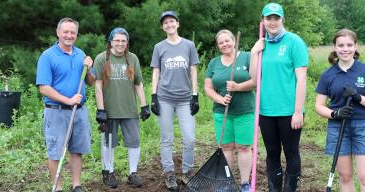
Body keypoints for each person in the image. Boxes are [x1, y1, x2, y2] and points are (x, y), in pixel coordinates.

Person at [315, 29, 365, 192]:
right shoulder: (328, 75)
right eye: (341, 45)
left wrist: (359, 98)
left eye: (349, 45)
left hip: (363, 127)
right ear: (335, 47)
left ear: (356, 46)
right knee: (345, 177)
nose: (345, 49)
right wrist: (335, 113)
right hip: (338, 128)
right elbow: (319, 106)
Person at [251, 3, 309, 192]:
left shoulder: (294, 42)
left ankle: (289, 189)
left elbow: (301, 80)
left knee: (291, 153)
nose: (273, 22)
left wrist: (298, 111)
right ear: (263, 21)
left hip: (289, 111)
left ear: (282, 19)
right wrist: (253, 53)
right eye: (269, 18)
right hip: (266, 110)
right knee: (272, 153)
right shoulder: (261, 45)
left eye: (276, 18)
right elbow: (254, 79)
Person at [36, 17, 95, 192]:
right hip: (56, 112)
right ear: (58, 33)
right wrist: (68, 100)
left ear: (76, 34)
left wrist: (89, 68)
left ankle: (77, 185)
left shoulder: (80, 54)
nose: (69, 35)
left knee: (77, 150)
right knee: (56, 152)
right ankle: (58, 188)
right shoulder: (48, 56)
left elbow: (91, 81)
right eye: (66, 32)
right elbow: (44, 88)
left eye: (73, 32)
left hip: (79, 111)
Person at [94, 27, 151, 189]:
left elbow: (138, 83)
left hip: (129, 109)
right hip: (109, 110)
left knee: (134, 141)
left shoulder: (132, 58)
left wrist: (144, 105)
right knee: (109, 142)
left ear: (127, 43)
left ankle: (133, 173)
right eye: (117, 40)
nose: (120, 43)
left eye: (123, 41)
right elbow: (98, 86)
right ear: (111, 41)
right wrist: (101, 109)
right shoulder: (101, 58)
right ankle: (108, 172)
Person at [150, 10, 200, 191]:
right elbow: (156, 71)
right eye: (165, 23)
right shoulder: (159, 47)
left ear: (177, 24)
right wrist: (153, 96)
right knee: (167, 138)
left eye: (172, 21)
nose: (169, 25)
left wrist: (195, 95)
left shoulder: (189, 45)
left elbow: (193, 70)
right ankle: (169, 173)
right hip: (165, 99)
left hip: (185, 99)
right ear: (163, 27)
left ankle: (187, 172)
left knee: (190, 138)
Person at [204, 29, 257, 192]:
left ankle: (244, 183)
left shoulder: (247, 57)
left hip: (245, 110)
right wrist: (219, 99)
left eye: (227, 41)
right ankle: (226, 181)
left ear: (234, 41)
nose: (224, 44)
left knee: (243, 147)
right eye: (221, 42)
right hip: (221, 112)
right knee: (226, 146)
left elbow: (256, 81)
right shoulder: (214, 63)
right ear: (218, 46)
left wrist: (238, 87)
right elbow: (207, 87)